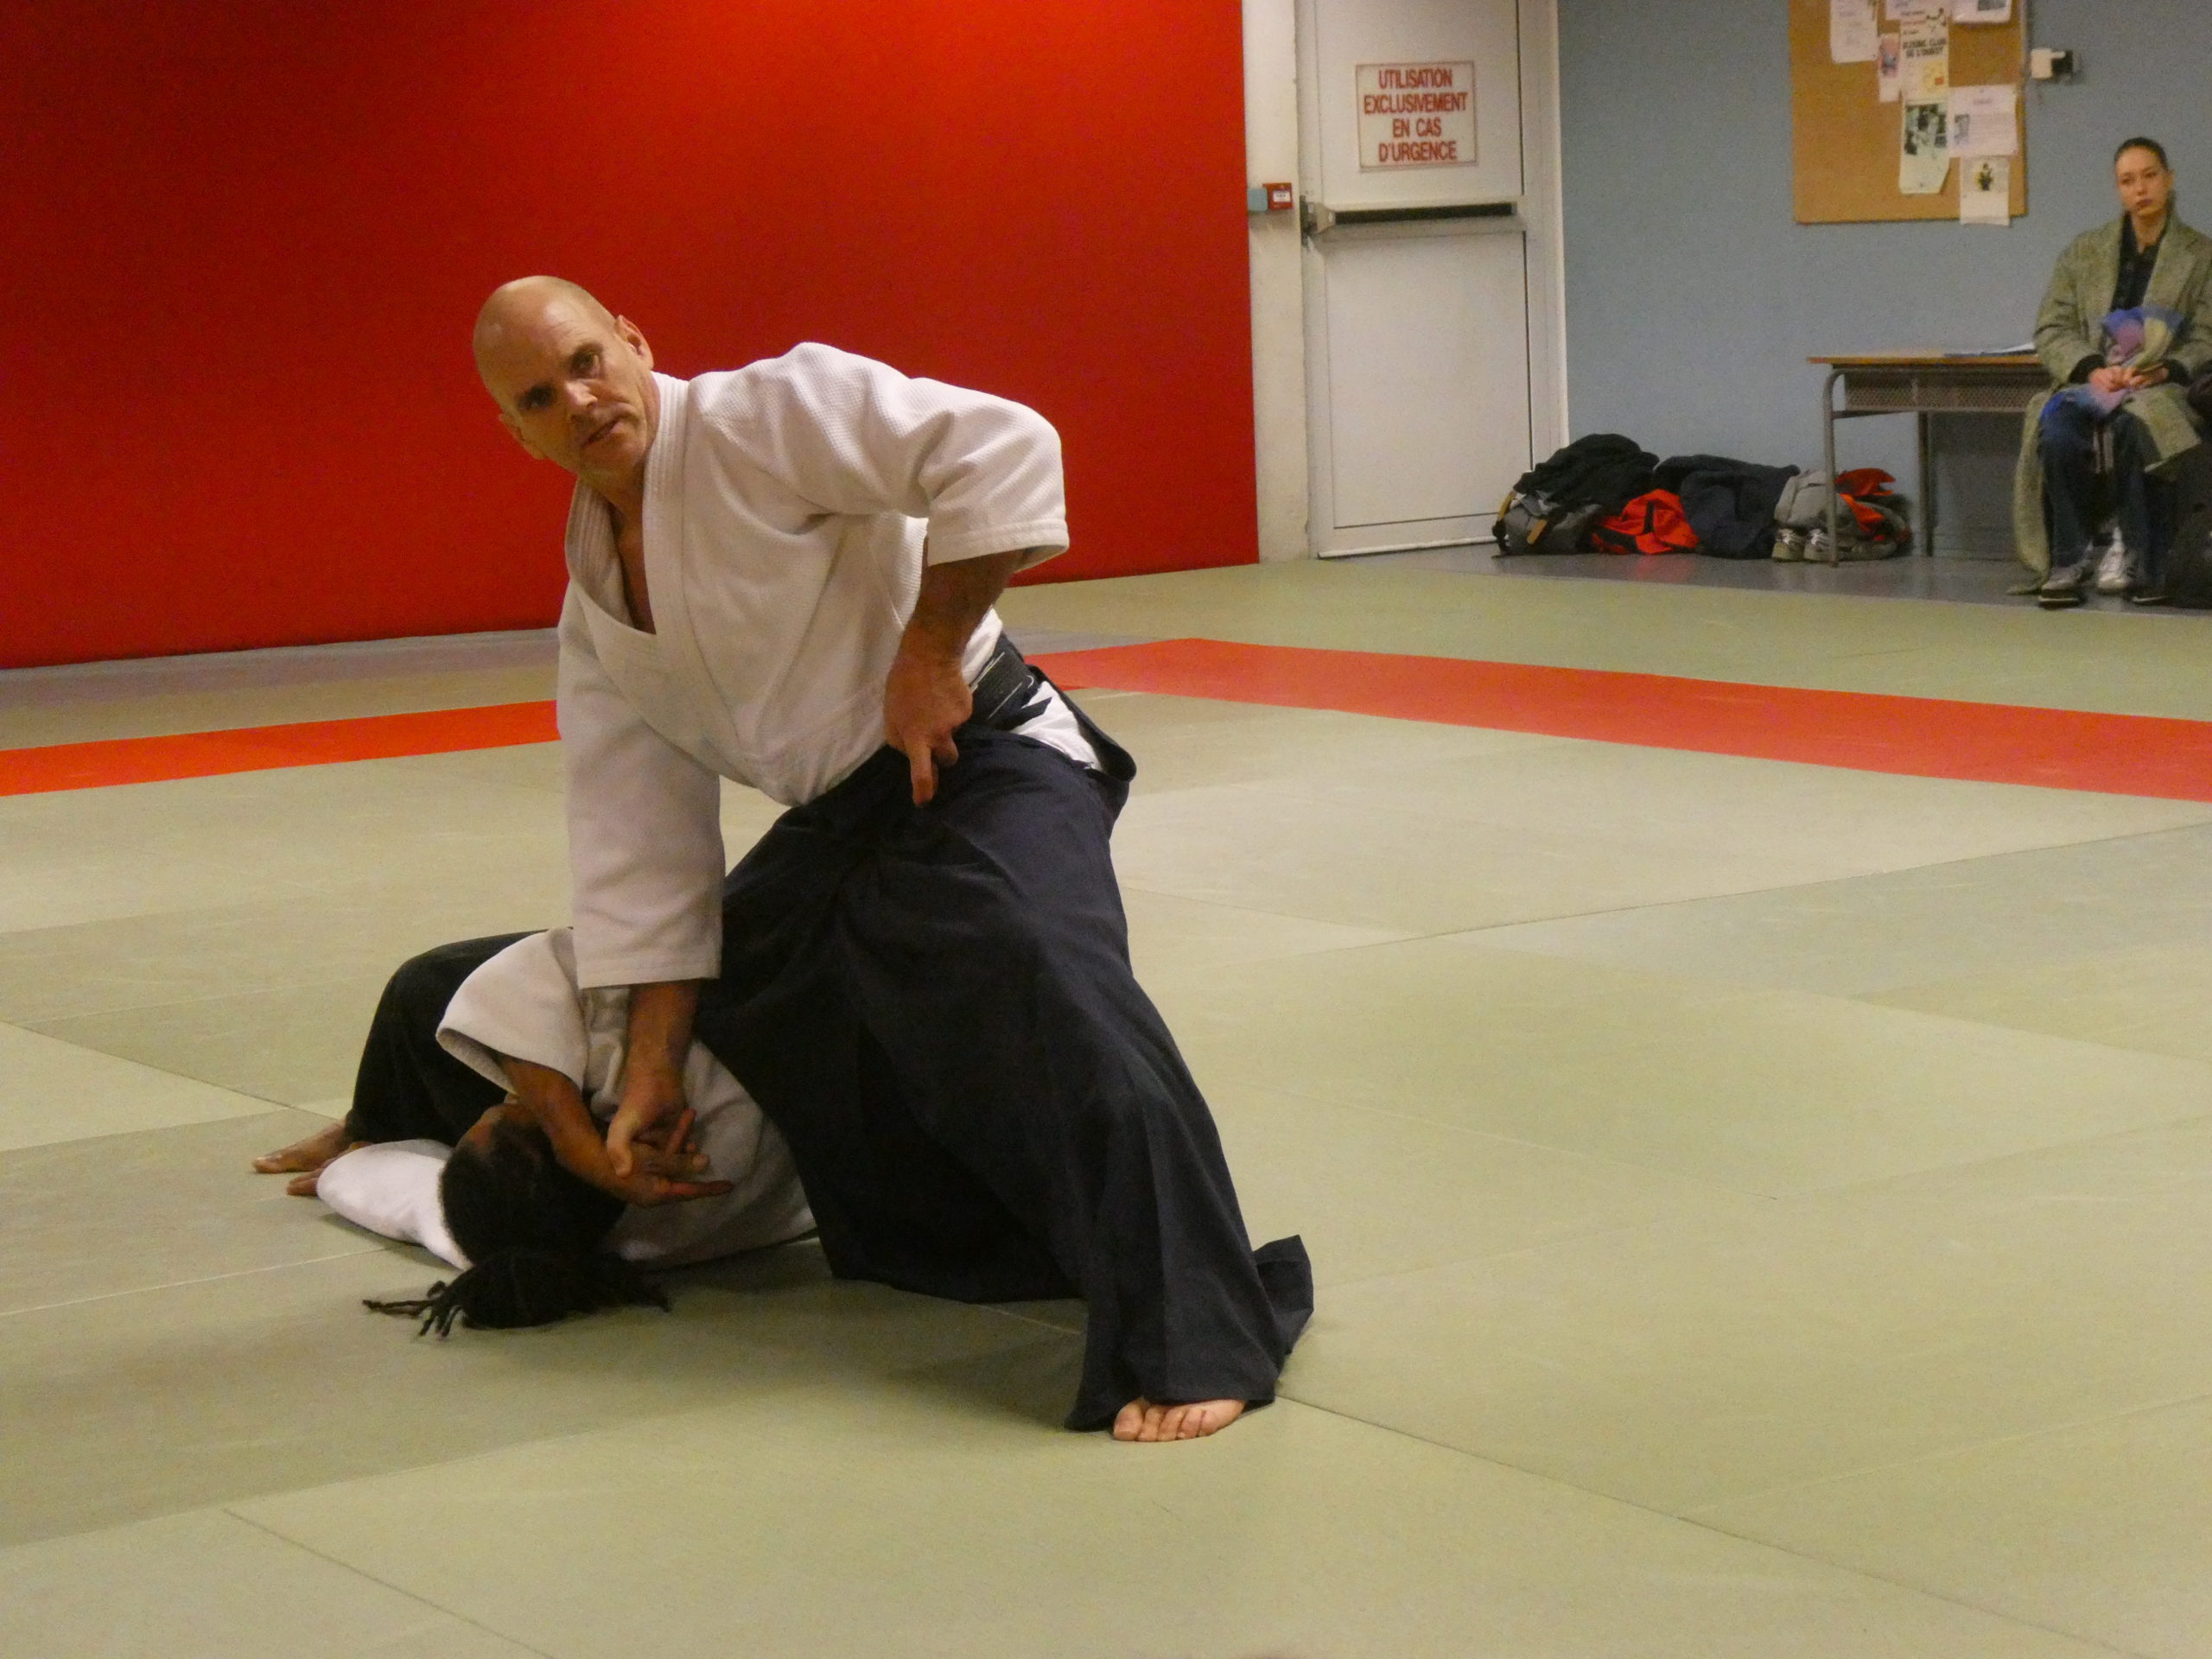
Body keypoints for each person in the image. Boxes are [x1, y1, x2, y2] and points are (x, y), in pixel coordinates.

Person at [416, 276, 1307, 1442]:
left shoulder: (765, 415)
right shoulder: (599, 612)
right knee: (752, 998)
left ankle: (1203, 1334)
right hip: (844, 821)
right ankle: (982, 1231)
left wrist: (929, 649)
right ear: (516, 433)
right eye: (540, 397)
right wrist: (651, 1070)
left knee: (1041, 971)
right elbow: (642, 846)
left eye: (587, 362)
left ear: (633, 341)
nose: (579, 400)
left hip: (983, 755)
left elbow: (1004, 445)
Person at [257, 929, 815, 1330]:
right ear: (578, 1151)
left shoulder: (577, 1240)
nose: (496, 1104)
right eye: (504, 1112)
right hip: (751, 1011)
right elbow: (524, 977)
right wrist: (565, 1126)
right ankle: (376, 1121)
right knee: (435, 990)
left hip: (748, 1070)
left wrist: (361, 1155)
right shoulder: (634, 1095)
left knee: (440, 1011)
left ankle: (371, 1123)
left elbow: (402, 1202)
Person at [2022, 138, 2212, 607]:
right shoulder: (2085, 251)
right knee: (2057, 426)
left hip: (2159, 385)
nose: (2140, 189)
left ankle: (2142, 558)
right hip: (2093, 382)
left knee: (2137, 425)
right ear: (2118, 189)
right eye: (2127, 181)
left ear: (2169, 179)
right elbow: (2052, 327)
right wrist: (2090, 369)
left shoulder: (2202, 254)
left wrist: (2166, 369)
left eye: (2149, 176)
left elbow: (2207, 335)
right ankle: (2068, 558)